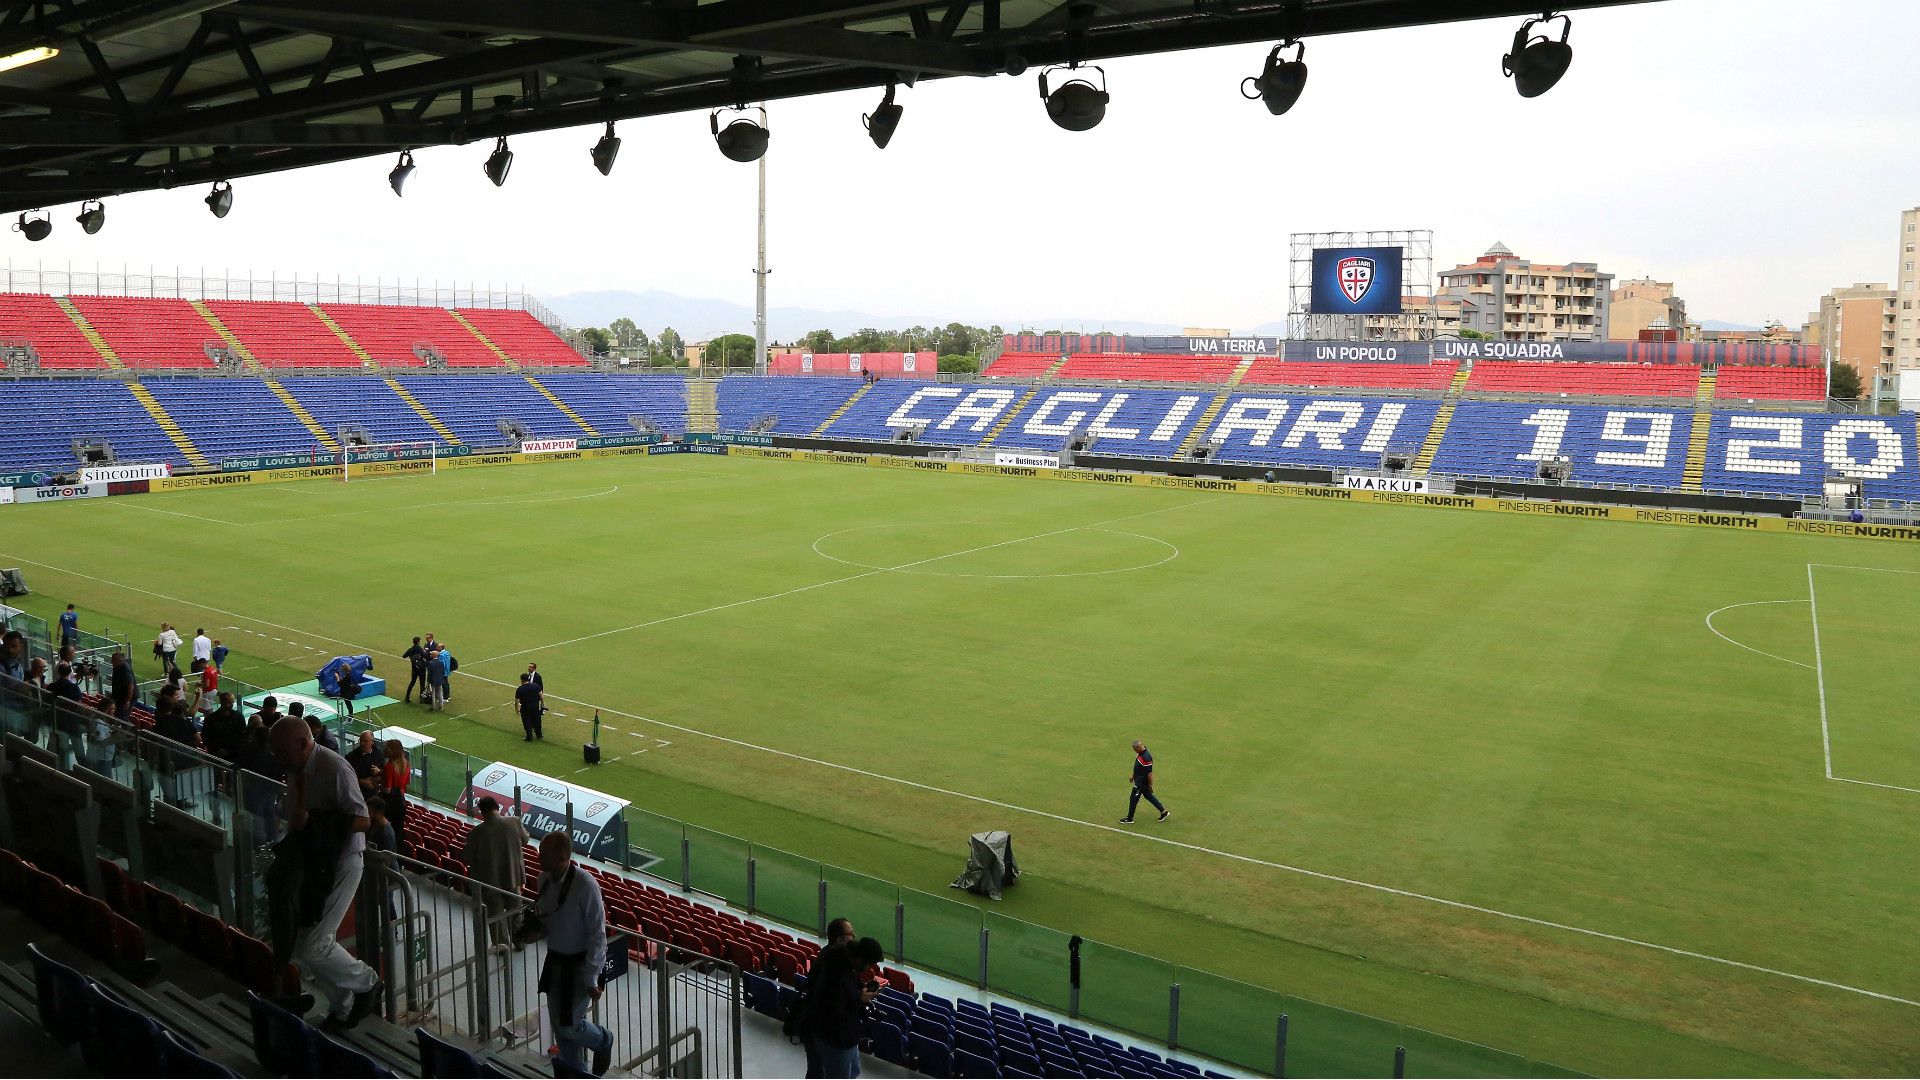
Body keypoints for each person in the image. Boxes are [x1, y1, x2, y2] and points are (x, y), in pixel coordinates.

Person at [268, 715, 380, 1032]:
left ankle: (367, 982)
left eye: (280, 751)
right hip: (315, 863)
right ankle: (342, 1006)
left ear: (303, 743)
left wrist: (313, 820)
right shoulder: (294, 769)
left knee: (313, 943)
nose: (277, 758)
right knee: (307, 940)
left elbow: (361, 820)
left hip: (343, 860)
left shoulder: (335, 768)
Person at [525, 832, 612, 1074]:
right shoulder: (544, 880)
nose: (538, 856)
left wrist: (592, 976)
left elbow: (598, 933)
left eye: (545, 853)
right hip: (556, 961)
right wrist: (535, 932)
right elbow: (550, 922)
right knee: (560, 1026)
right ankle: (576, 1073)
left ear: (563, 857)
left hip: (580, 964)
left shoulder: (586, 885)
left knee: (568, 1025)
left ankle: (603, 1040)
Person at [805, 937, 884, 1078]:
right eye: (870, 964)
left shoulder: (843, 964)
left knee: (854, 1071)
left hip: (844, 1036)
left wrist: (861, 991)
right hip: (834, 1039)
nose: (869, 969)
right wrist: (861, 1000)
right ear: (860, 959)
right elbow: (835, 1013)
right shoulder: (836, 976)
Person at [460, 796, 531, 948]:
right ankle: (520, 942)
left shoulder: (477, 833)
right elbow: (526, 839)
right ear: (497, 807)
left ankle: (501, 947)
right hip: (513, 877)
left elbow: (465, 857)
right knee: (516, 911)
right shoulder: (515, 822)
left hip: (490, 882)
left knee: (496, 914)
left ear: (482, 812)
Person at [798, 918, 860, 1077]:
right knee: (819, 1071)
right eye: (851, 934)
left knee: (817, 1070)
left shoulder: (828, 957)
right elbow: (835, 1008)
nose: (854, 937)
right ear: (840, 939)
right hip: (825, 1033)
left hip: (815, 1027)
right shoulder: (834, 968)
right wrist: (860, 1000)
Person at [1120, 739, 1169, 824]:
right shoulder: (1140, 753)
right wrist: (1133, 776)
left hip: (1141, 784)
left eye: (1134, 749)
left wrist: (1150, 786)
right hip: (1139, 780)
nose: (1134, 751)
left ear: (1139, 747)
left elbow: (1149, 774)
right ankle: (1163, 812)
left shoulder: (1146, 758)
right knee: (1148, 796)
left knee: (1133, 800)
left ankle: (1129, 818)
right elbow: (1137, 767)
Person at [380, 739, 411, 846]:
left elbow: (387, 790)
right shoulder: (406, 764)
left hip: (390, 804)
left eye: (386, 748)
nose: (384, 749)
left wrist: (377, 786)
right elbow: (404, 786)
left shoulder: (389, 767)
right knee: (398, 832)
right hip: (401, 803)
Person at [203, 691, 247, 762]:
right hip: (216, 756)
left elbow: (242, 736)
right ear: (222, 702)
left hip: (235, 756)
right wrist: (217, 749)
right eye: (229, 702)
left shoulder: (239, 717)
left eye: (232, 702)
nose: (232, 705)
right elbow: (206, 736)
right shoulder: (211, 719)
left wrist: (230, 750)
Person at [344, 730, 383, 794]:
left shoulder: (378, 753)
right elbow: (346, 777)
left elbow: (384, 769)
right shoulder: (350, 757)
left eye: (365, 741)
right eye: (361, 741)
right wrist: (361, 781)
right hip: (358, 793)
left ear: (372, 741)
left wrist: (379, 771)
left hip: (375, 794)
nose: (362, 743)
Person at [515, 672, 544, 742]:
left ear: (521, 680)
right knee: (537, 721)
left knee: (527, 722)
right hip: (535, 707)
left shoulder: (520, 689)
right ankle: (539, 735)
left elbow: (517, 701)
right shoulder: (535, 686)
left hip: (525, 708)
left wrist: (517, 710)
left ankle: (529, 736)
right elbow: (541, 695)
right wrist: (542, 704)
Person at [109, 650, 135, 723]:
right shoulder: (117, 667)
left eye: (113, 660)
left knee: (122, 715)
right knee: (119, 714)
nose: (111, 661)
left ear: (119, 660)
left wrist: (127, 701)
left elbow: (131, 687)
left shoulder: (125, 670)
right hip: (120, 696)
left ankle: (128, 731)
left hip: (126, 697)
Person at [402, 637, 428, 704]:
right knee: (422, 684)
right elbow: (425, 656)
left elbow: (404, 656)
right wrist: (424, 652)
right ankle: (421, 699)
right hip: (421, 668)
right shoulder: (419, 648)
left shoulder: (411, 649)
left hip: (414, 668)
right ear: (419, 642)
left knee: (412, 682)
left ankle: (407, 697)